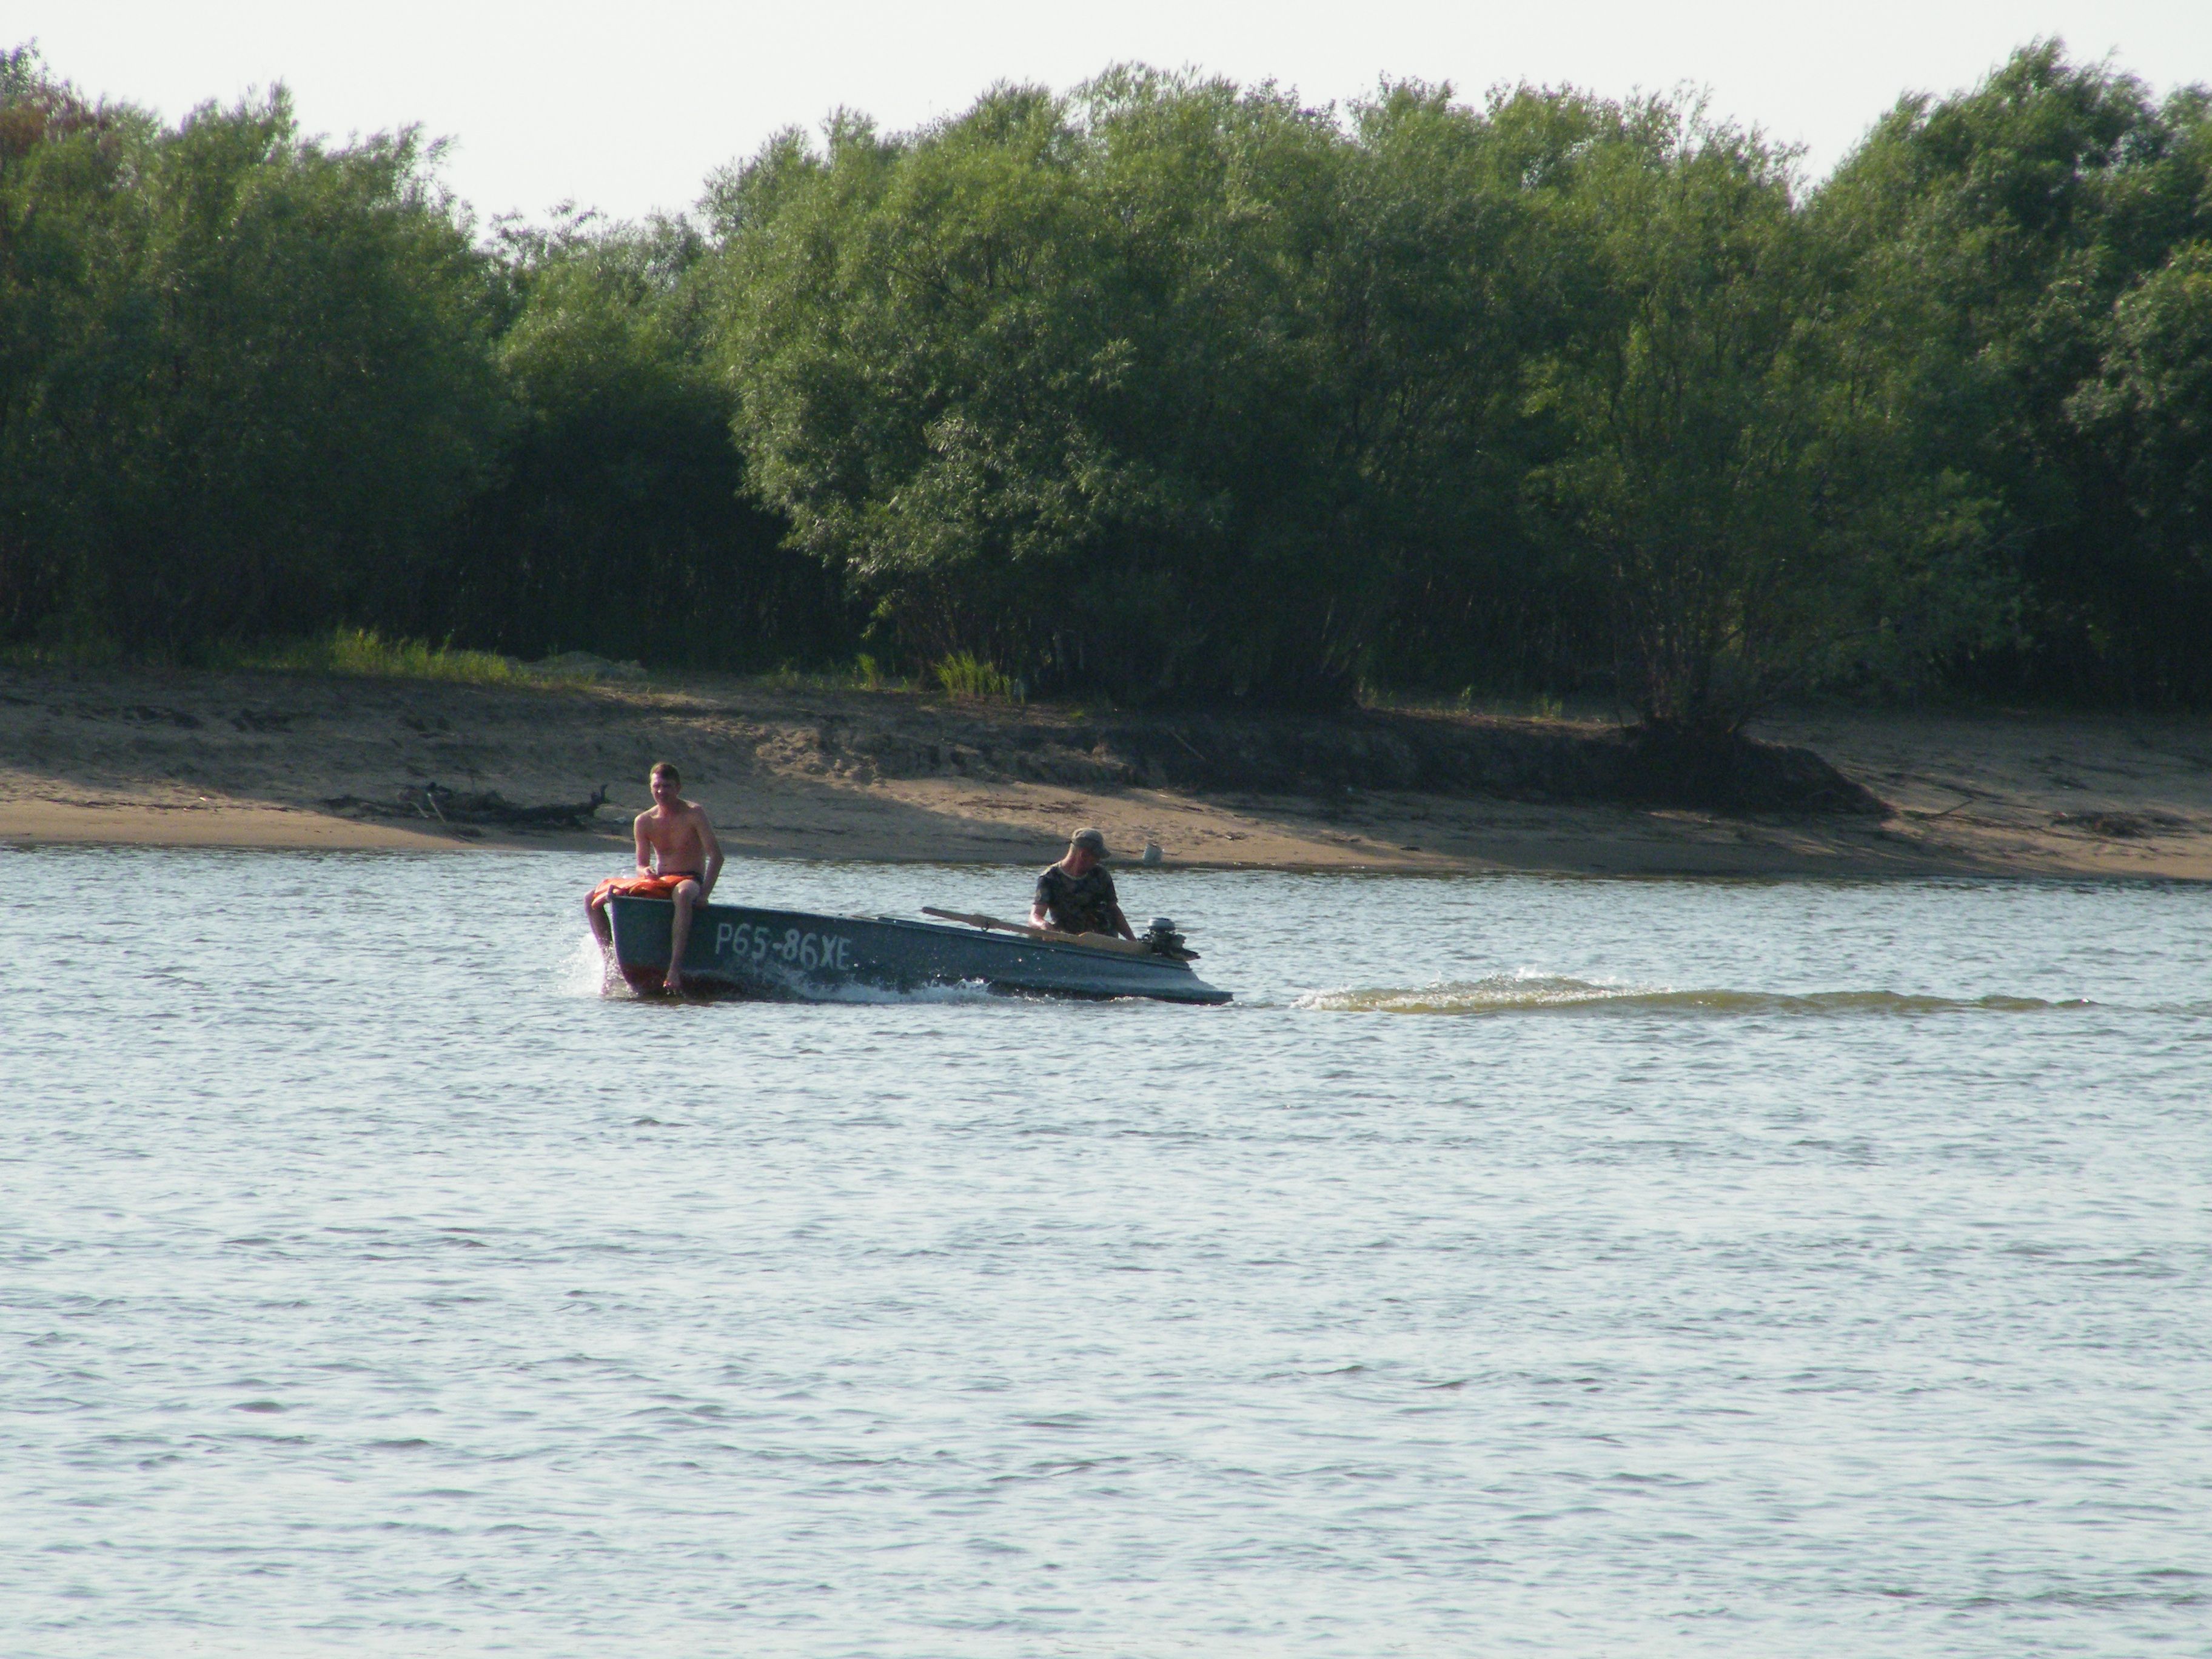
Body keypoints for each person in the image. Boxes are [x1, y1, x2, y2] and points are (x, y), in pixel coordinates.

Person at [586, 762, 723, 993]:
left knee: (682, 894)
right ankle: (612, 968)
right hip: (659, 880)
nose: (661, 792)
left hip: (689, 879)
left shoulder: (694, 813)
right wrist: (645, 871)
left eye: (667, 787)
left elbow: (716, 857)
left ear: (678, 788)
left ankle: (674, 970)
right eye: (657, 786)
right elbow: (641, 864)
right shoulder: (644, 821)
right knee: (592, 897)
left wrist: (705, 894)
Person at [1030, 826, 1134, 939]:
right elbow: (1035, 916)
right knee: (1033, 937)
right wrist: (1043, 925)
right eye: (1096, 857)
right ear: (1083, 855)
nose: (1098, 861)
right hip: (1070, 940)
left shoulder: (1101, 875)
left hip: (1105, 941)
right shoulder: (1049, 878)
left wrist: (1133, 941)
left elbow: (1114, 911)